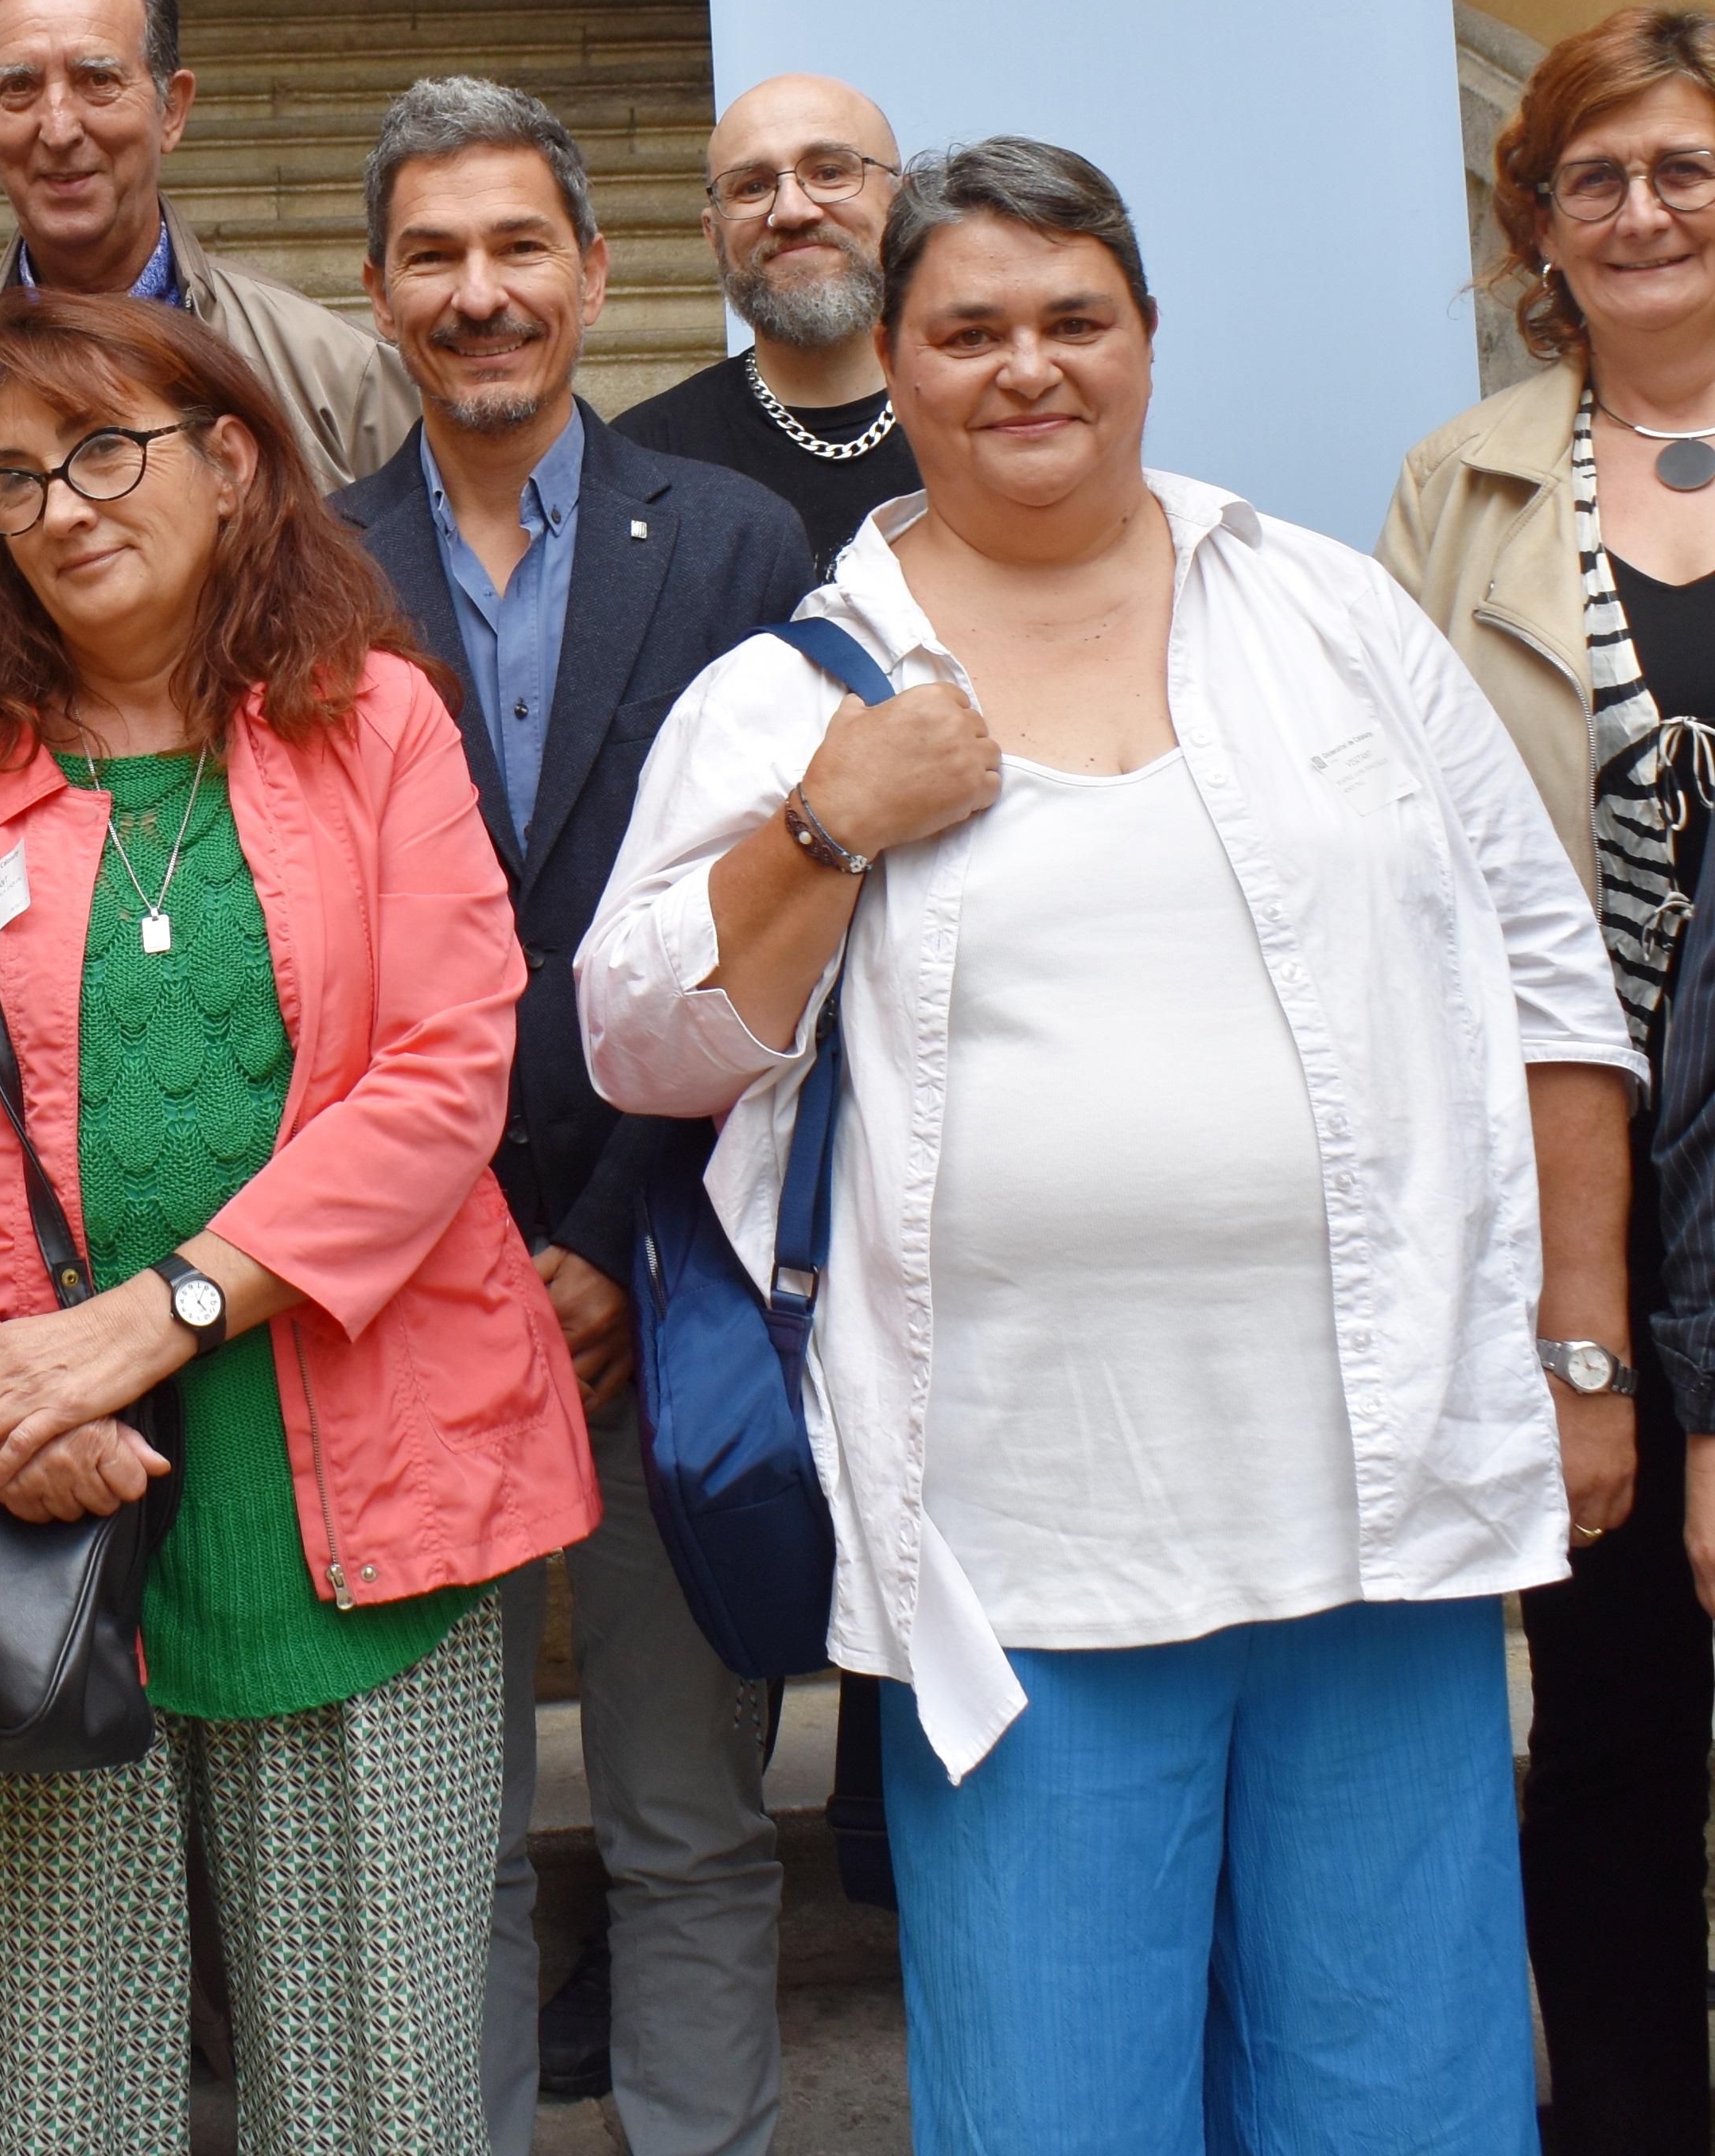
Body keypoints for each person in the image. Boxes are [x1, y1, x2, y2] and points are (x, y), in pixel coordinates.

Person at [579, 138, 1637, 2156]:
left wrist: (1579, 1352)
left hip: (1376, 1499)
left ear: (1147, 340)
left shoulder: (1329, 616)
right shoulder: (790, 690)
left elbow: (1545, 987)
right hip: (1016, 1535)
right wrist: (821, 825)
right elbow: (639, 1041)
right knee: (1063, 2098)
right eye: (966, 330)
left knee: (1396, 2078)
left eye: (1074, 318)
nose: (1026, 366)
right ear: (893, 361)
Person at [0, 287, 596, 2156]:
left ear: (230, 461)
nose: (61, 506)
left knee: (380, 2087)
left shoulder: (375, 722)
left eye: (103, 449)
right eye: (7, 482)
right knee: (30, 2098)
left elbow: (445, 1071)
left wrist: (160, 1313)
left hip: (363, 1487)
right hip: (25, 1494)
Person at [335, 79, 811, 2156]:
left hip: (672, 1266)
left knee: (686, 1820)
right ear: (376, 295)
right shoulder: (301, 566)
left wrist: (606, 1241)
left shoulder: (733, 541)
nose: (480, 292)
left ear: (596, 274)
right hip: (397, 1300)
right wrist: (453, 1242)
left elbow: (776, 915)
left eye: (518, 246)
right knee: (436, 1854)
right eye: (432, 255)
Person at [1379, 2, 1715, 2156]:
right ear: (1537, 224)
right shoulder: (1467, 479)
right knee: (1605, 1722)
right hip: (1583, 1184)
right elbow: (1415, 857)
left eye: (1682, 166)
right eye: (1595, 175)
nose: (1644, 209)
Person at [0, 0, 415, 639]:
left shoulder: (340, 380)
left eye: (98, 81)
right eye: (19, 88)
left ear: (171, 109)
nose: (58, 128)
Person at [615, 73, 916, 578]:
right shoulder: (638, 464)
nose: (793, 210)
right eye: (752, 187)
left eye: (830, 172)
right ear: (713, 236)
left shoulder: (990, 421)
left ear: (901, 205)